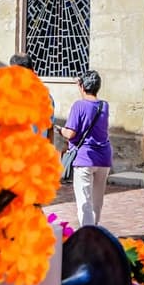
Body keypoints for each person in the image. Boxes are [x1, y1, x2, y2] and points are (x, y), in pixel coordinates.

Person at [60, 70, 112, 227]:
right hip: (103, 158)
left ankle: (87, 235)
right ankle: (95, 231)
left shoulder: (79, 105)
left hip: (84, 158)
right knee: (97, 201)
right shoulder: (104, 105)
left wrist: (59, 130)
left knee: (85, 202)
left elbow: (70, 133)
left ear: (82, 86)